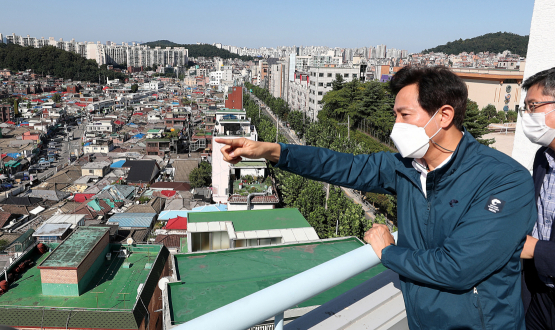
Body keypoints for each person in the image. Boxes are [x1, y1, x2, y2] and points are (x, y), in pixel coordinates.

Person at [217, 66, 536, 330]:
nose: (396, 126)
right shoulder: (408, 168)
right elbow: (341, 166)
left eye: (405, 115)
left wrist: (388, 252)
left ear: (444, 115)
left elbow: (457, 268)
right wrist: (274, 151)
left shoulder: (504, 180)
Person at [520, 67, 555, 330]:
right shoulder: (543, 157)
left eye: (533, 106)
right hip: (539, 293)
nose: (527, 116)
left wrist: (534, 249)